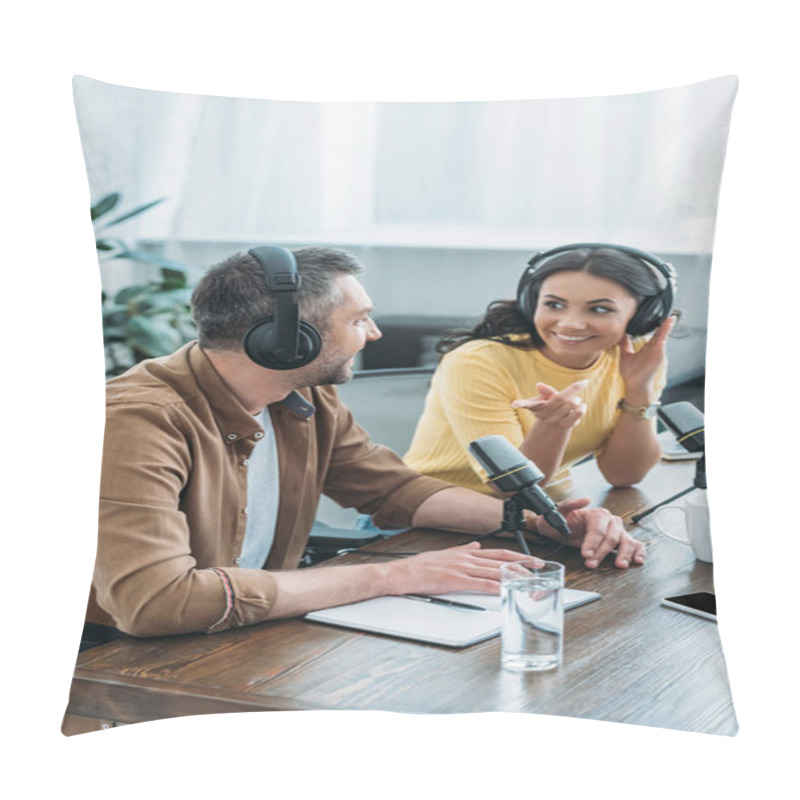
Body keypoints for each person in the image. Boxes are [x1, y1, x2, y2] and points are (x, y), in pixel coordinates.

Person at [88, 245, 644, 639]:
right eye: (359, 320)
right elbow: (156, 603)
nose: (373, 334)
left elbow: (394, 490)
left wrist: (537, 521)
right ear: (286, 341)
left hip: (248, 636)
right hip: (127, 660)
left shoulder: (300, 396)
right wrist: (392, 575)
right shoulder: (136, 422)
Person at [405, 244, 677, 492]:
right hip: (427, 515)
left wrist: (639, 390)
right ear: (532, 303)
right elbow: (512, 484)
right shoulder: (477, 362)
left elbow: (624, 475)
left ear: (641, 317)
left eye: (599, 310)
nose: (571, 323)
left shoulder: (637, 358)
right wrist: (553, 426)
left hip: (542, 510)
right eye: (554, 304)